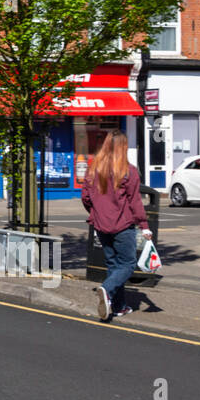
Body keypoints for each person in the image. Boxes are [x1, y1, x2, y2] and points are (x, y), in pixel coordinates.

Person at [81, 129, 150, 321]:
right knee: (127, 264)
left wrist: (96, 213)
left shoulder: (93, 169)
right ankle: (107, 289)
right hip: (122, 225)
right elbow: (135, 201)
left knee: (113, 264)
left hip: (101, 225)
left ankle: (119, 307)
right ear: (123, 148)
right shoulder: (129, 171)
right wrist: (144, 225)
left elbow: (86, 197)